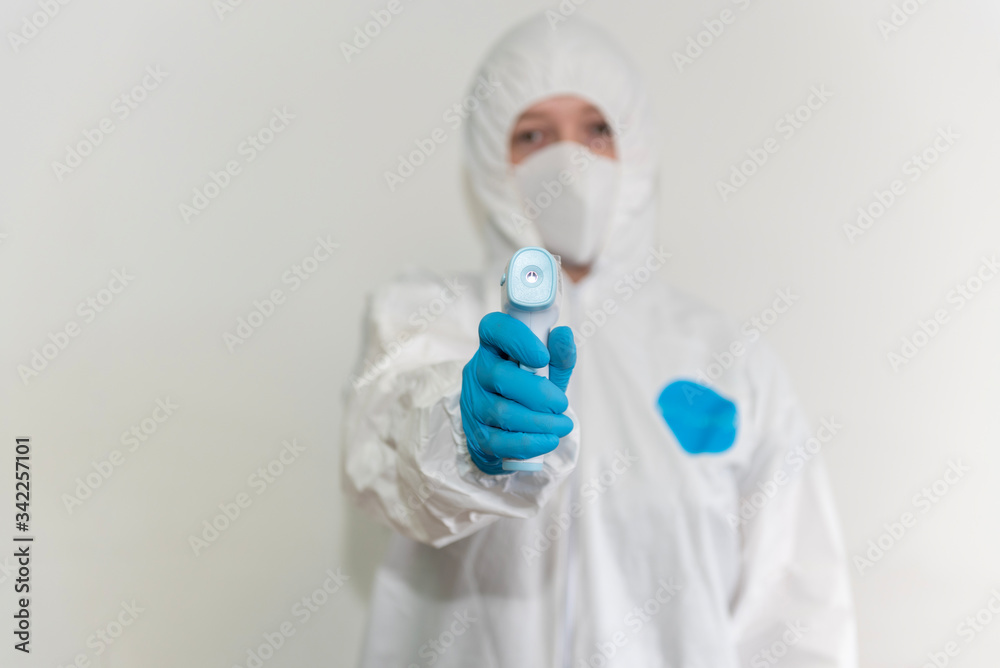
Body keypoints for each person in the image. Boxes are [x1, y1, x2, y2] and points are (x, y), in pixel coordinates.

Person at [341, 13, 857, 667]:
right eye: (533, 135)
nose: (569, 160)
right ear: (490, 161)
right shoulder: (426, 318)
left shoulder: (727, 360)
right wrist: (459, 437)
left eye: (597, 130)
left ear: (636, 147)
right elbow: (385, 450)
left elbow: (795, 608)